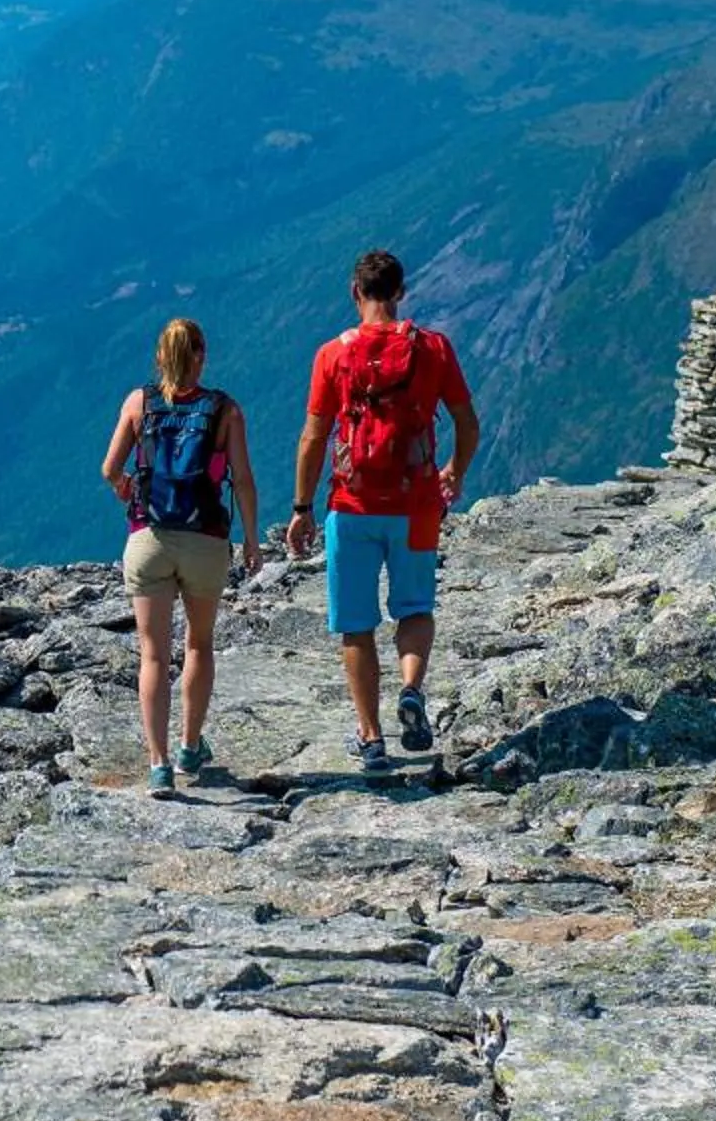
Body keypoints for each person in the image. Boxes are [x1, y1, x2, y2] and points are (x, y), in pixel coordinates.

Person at [282, 250, 480, 776]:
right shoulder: (434, 349)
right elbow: (467, 423)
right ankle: (411, 689)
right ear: (401, 292)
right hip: (416, 505)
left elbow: (313, 438)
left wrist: (302, 507)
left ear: (354, 292)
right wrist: (454, 472)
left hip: (351, 505)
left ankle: (370, 738)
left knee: (356, 626)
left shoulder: (332, 355)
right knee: (414, 608)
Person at [103, 317, 262, 792]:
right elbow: (245, 479)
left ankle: (158, 763)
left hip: (149, 539)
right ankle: (191, 747)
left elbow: (109, 466)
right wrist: (252, 539)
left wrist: (126, 489)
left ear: (159, 358)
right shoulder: (224, 410)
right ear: (201, 355)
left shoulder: (140, 403)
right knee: (199, 644)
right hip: (206, 541)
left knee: (153, 655)